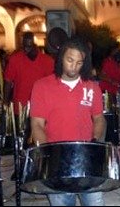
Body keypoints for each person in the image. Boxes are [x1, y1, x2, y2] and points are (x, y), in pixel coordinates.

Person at [30, 36, 106, 206]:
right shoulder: (42, 86)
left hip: (87, 159)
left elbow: (99, 119)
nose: (74, 66)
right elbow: (37, 125)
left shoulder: (92, 87)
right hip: (57, 161)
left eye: (79, 62)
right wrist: (47, 154)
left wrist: (94, 143)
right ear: (61, 58)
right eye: (70, 60)